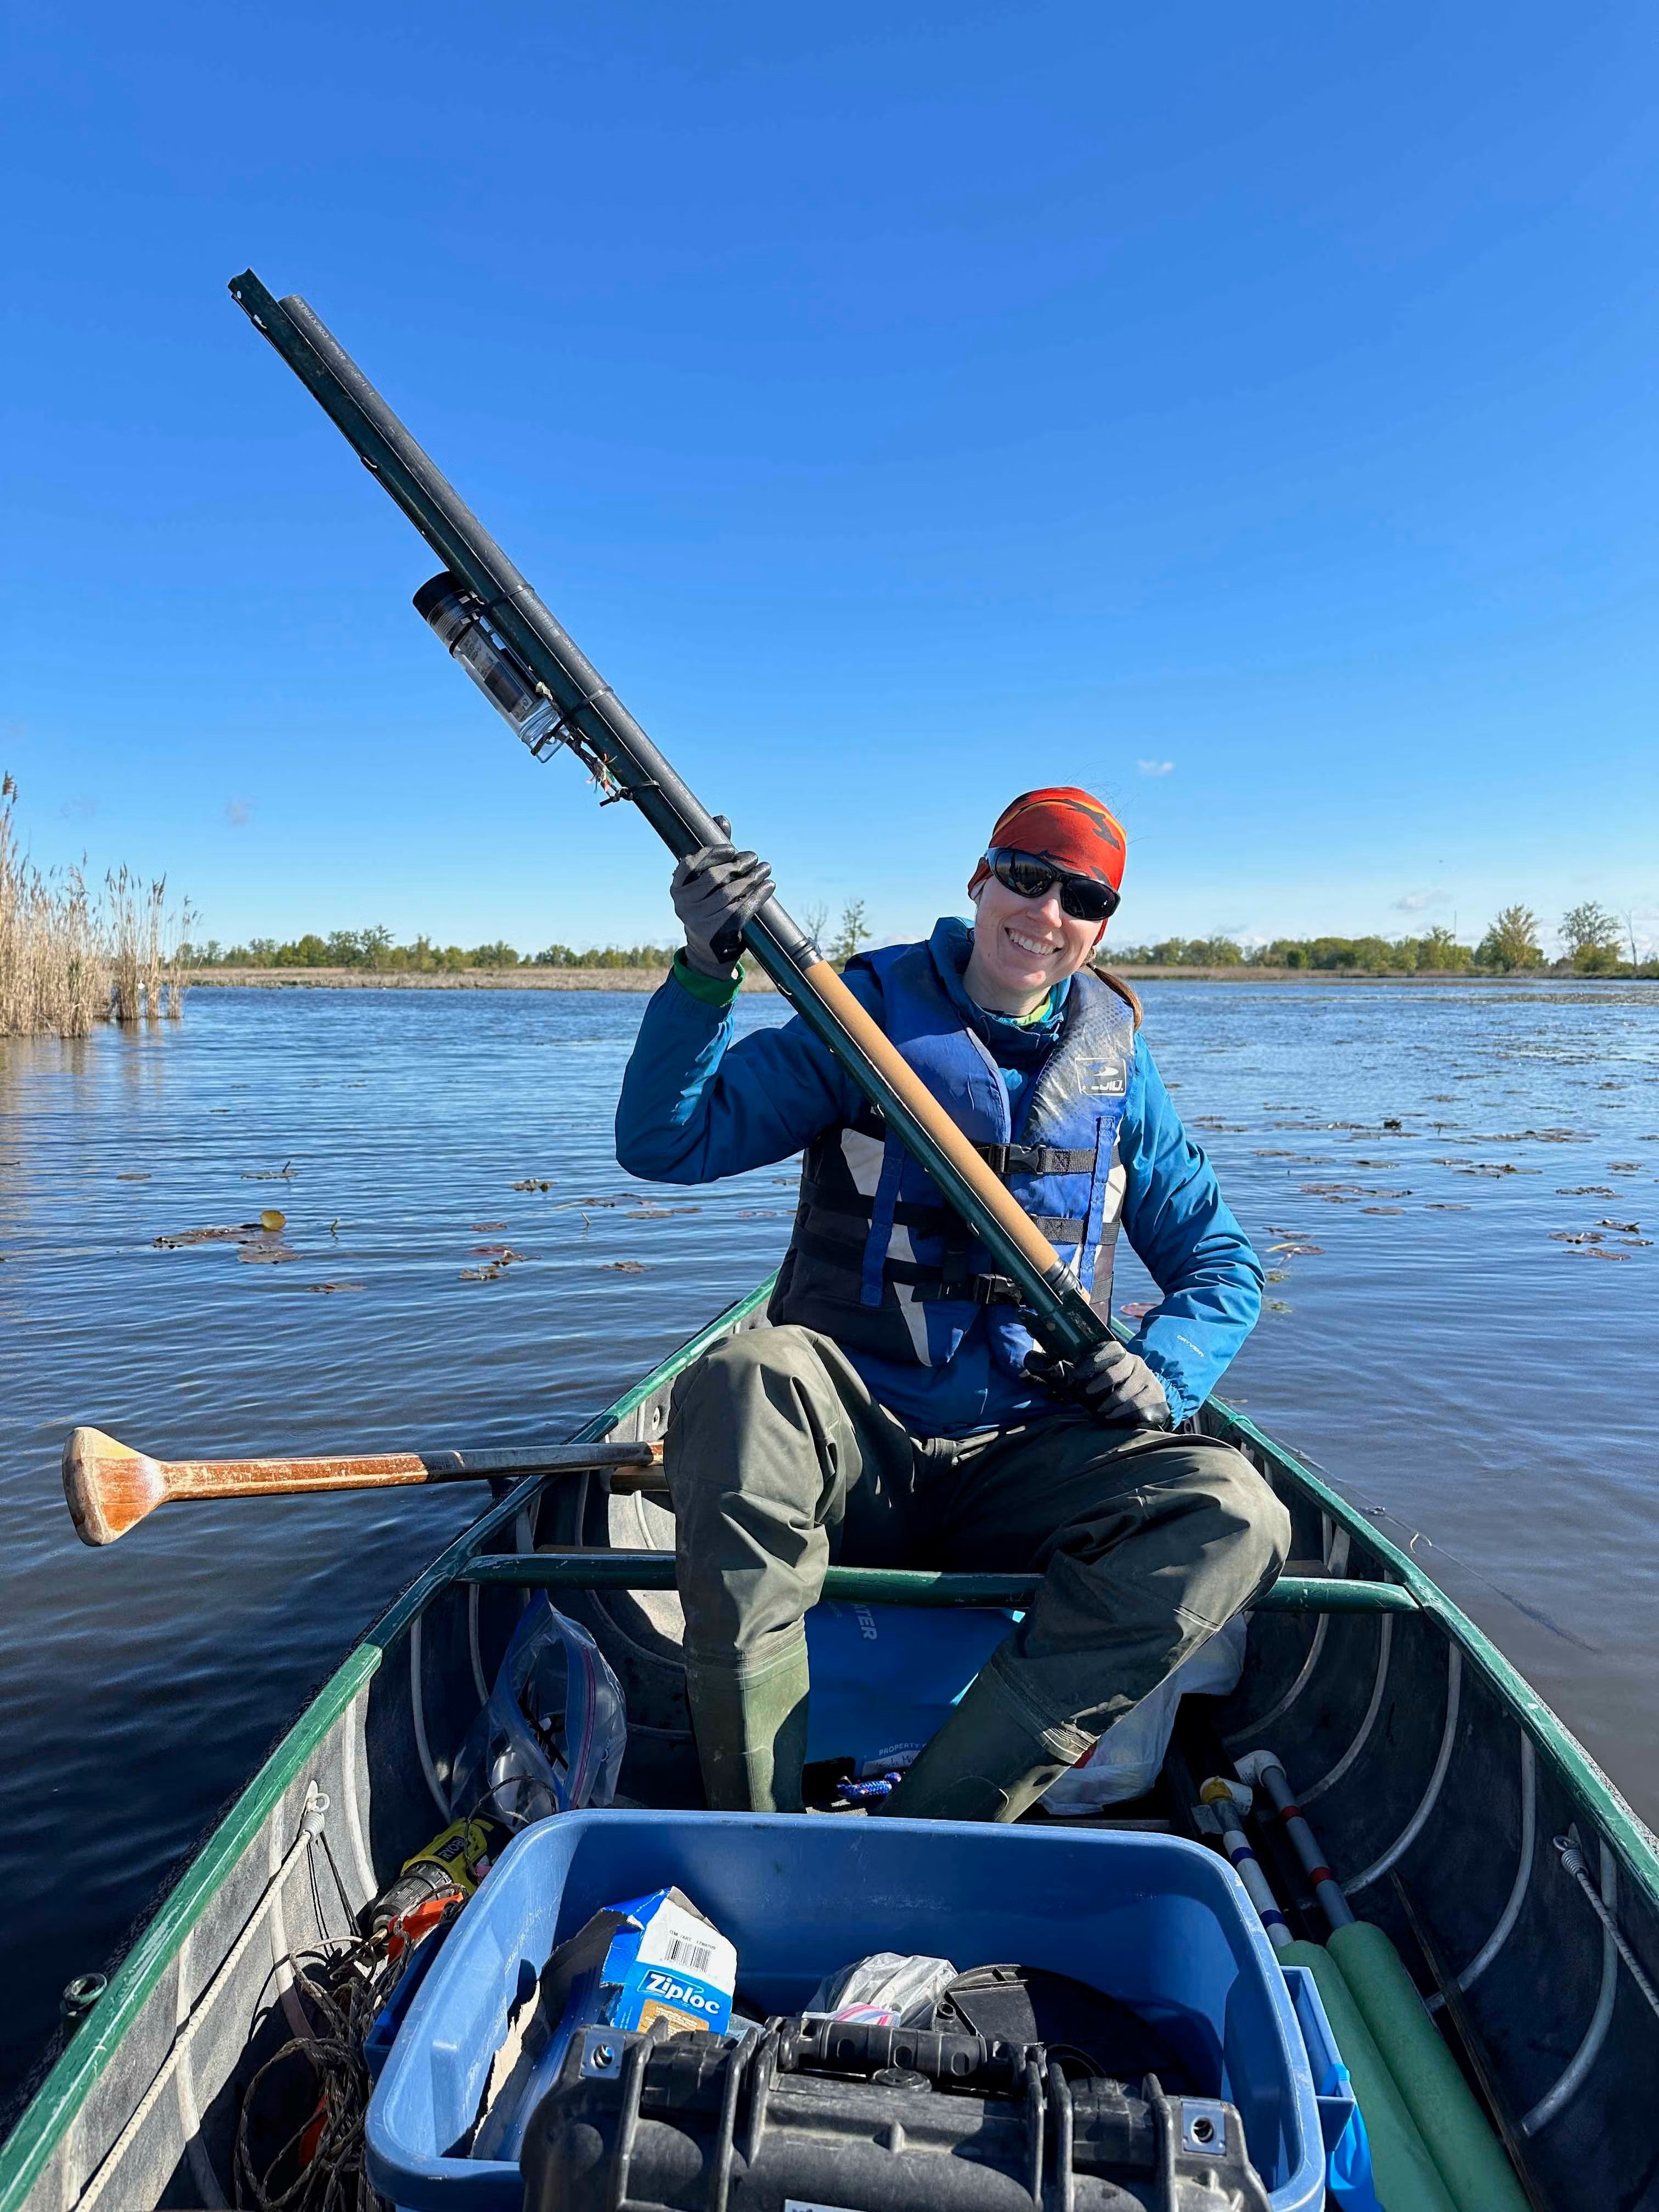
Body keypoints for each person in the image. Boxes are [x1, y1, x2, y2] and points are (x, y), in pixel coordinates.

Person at [614, 786, 1289, 1821]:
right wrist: (706, 974)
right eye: (1025, 878)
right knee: (747, 1379)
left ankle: (943, 1815)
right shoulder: (861, 1013)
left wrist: (1164, 1366)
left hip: (1029, 1465)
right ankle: (753, 1820)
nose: (1046, 912)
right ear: (980, 883)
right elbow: (668, 1142)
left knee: (1236, 1511)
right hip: (859, 1452)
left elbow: (1222, 1264)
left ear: (1102, 922)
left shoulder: (1121, 1065)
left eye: (1082, 896)